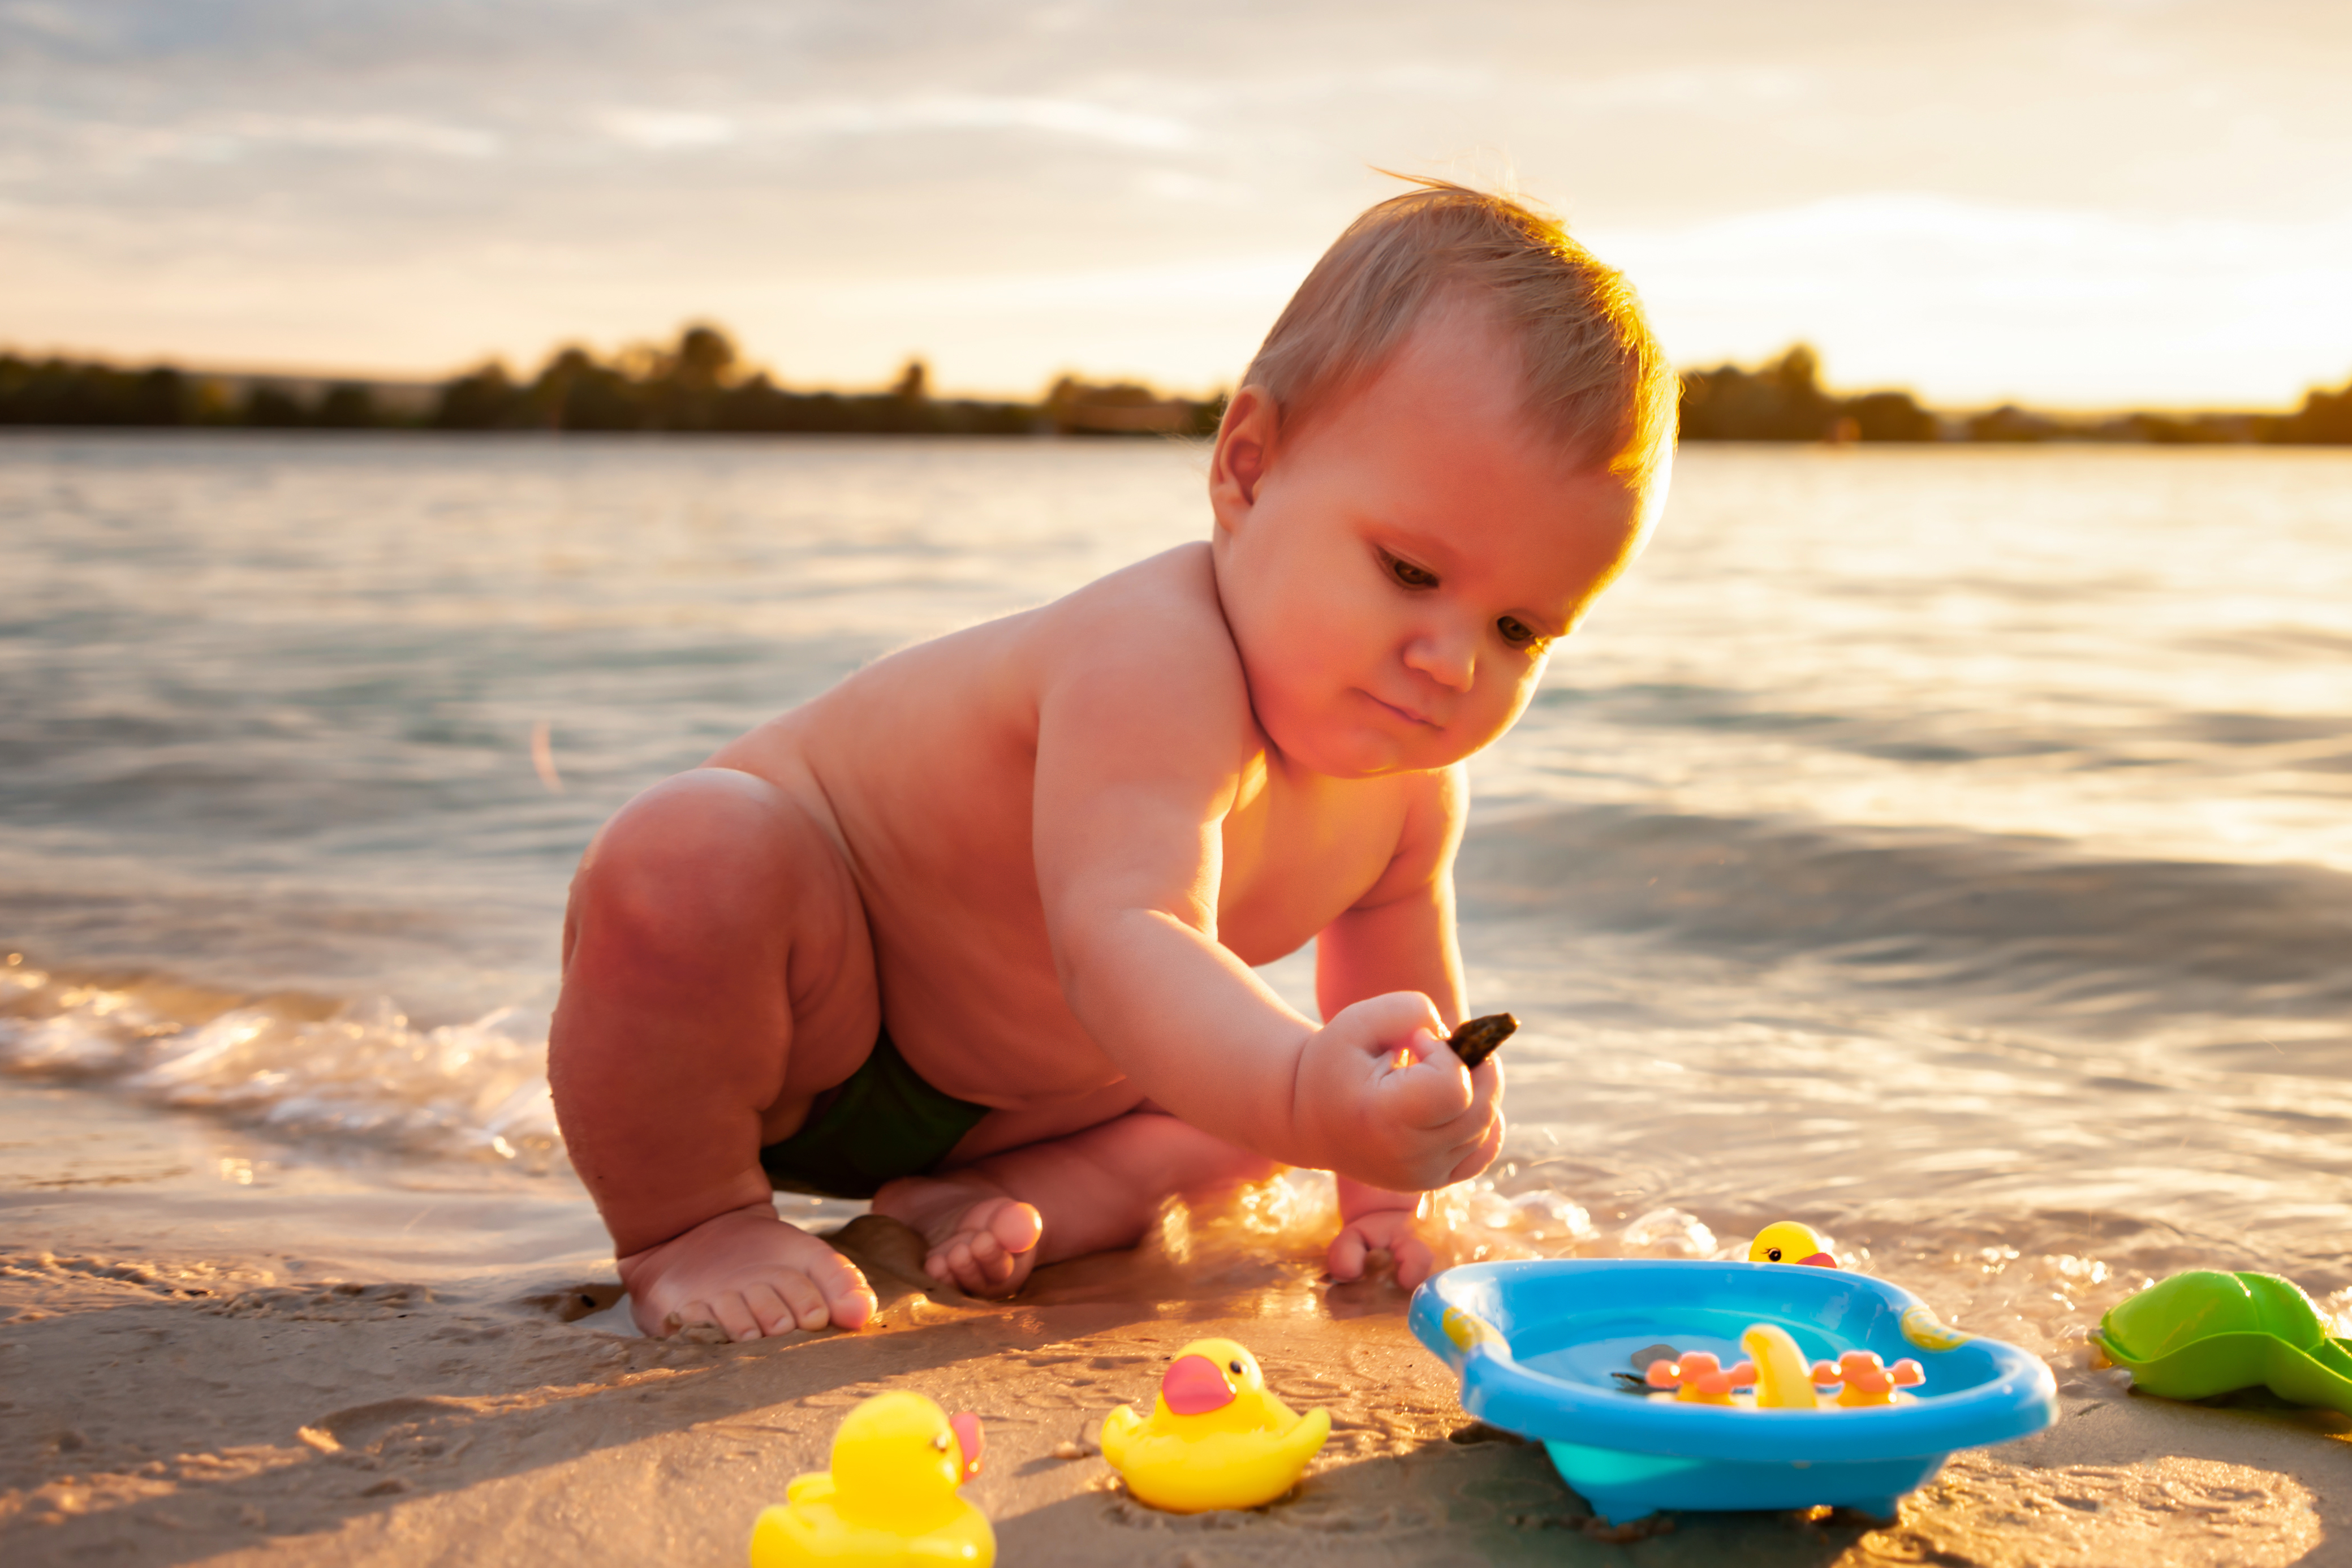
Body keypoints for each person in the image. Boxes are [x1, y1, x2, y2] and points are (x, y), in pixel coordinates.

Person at [546, 180, 1678, 1341]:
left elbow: (1399, 1015)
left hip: (1020, 1113)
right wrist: (1306, 1090)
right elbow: (1122, 934)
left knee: (1263, 1096)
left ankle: (1008, 1202)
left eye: (1519, 631)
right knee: (689, 853)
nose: (1450, 662)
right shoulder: (1155, 652)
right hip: (810, 1014)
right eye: (1408, 572)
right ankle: (690, 1224)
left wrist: (1389, 1165)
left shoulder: (1412, 793)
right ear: (1248, 469)